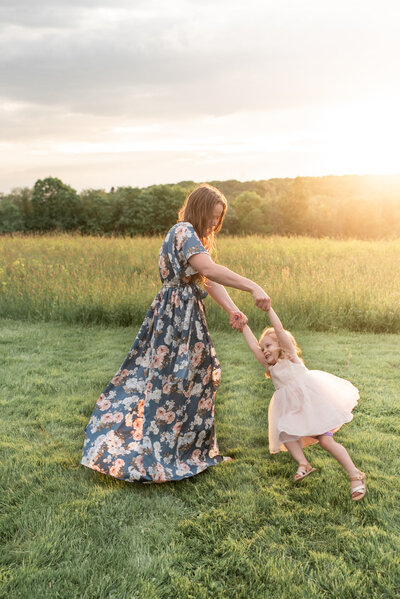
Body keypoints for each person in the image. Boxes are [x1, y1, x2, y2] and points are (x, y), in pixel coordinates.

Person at [81, 183, 270, 483]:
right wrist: (252, 286)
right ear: (200, 208)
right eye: (212, 215)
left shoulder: (193, 237)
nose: (214, 223)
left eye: (218, 218)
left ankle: (196, 452)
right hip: (176, 317)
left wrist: (232, 308)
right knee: (171, 384)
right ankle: (165, 454)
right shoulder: (183, 231)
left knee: (197, 380)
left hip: (184, 314)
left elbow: (205, 278)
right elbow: (210, 269)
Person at [239, 305, 366, 501]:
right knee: (284, 430)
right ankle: (303, 464)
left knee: (326, 441)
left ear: (281, 345)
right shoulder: (270, 367)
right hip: (295, 411)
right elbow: (253, 348)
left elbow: (279, 330)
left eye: (269, 346)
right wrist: (243, 326)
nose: (264, 351)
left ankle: (355, 475)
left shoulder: (290, 356)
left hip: (315, 407)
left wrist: (269, 309)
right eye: (263, 348)